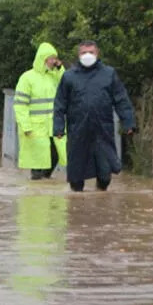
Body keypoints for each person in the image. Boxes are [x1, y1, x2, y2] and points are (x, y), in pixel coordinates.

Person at [53, 40, 135, 192]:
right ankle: (77, 208)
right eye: (84, 52)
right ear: (78, 55)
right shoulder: (69, 76)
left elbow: (121, 99)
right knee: (76, 179)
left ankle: (101, 197)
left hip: (102, 130)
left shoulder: (108, 74)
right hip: (78, 130)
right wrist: (58, 128)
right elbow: (60, 105)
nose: (87, 55)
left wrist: (128, 123)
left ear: (97, 53)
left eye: (91, 52)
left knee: (105, 174)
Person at [14, 43, 67, 180]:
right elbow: (20, 105)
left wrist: (60, 68)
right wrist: (25, 125)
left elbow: (67, 83)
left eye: (56, 58)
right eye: (52, 58)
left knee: (55, 155)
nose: (54, 61)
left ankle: (46, 186)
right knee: (37, 162)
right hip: (36, 128)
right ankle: (37, 191)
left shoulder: (54, 76)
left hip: (53, 126)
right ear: (44, 59)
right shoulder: (27, 78)